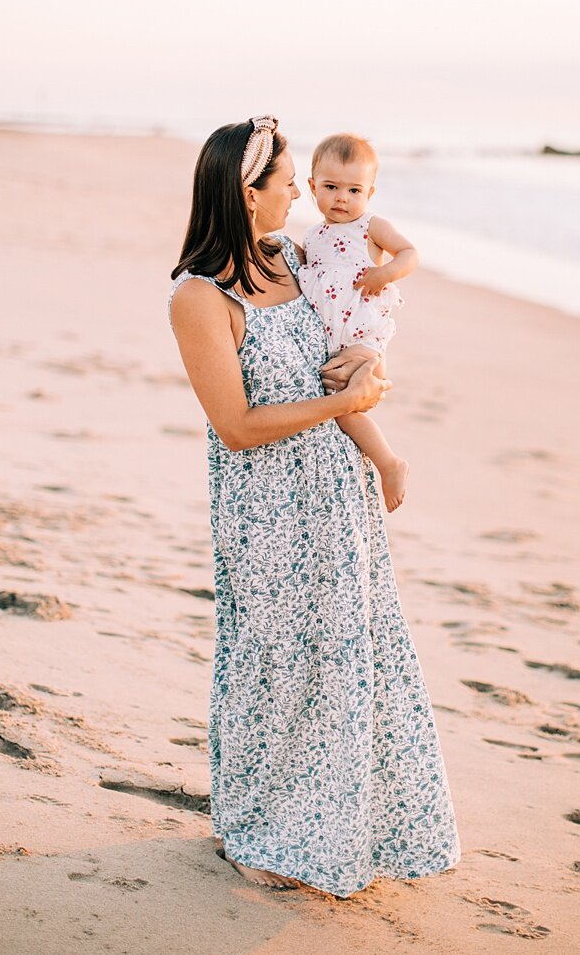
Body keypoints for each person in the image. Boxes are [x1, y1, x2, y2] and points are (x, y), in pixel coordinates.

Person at [168, 116, 460, 895]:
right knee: (272, 662)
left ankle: (338, 833)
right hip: (267, 509)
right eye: (286, 180)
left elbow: (339, 366)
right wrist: (345, 405)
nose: (299, 191)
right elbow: (236, 427)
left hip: (339, 499)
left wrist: (374, 401)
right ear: (246, 191)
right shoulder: (199, 299)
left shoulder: (292, 258)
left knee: (345, 667)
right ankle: (260, 833)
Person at [296, 132, 419, 512]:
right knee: (337, 408)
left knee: (346, 409)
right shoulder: (313, 235)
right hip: (332, 339)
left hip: (364, 337)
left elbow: (409, 253)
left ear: (370, 193)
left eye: (354, 190)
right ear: (313, 186)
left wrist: (386, 274)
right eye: (331, 187)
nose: (341, 199)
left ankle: (389, 463)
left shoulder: (370, 227)